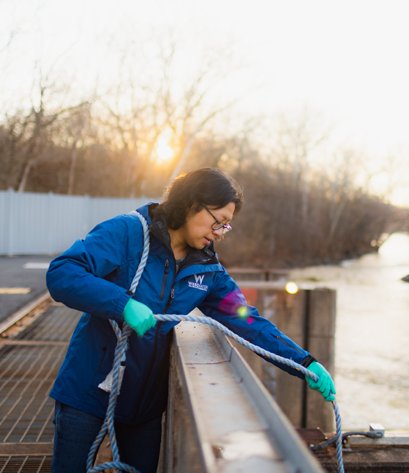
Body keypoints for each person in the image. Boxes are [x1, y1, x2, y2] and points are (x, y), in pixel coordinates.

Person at [46, 167, 336, 473]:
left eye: (226, 226)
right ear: (191, 204)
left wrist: (302, 363)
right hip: (88, 391)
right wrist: (123, 304)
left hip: (143, 408)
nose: (220, 233)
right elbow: (63, 272)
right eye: (218, 221)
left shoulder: (207, 270)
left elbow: (246, 320)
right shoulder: (127, 233)